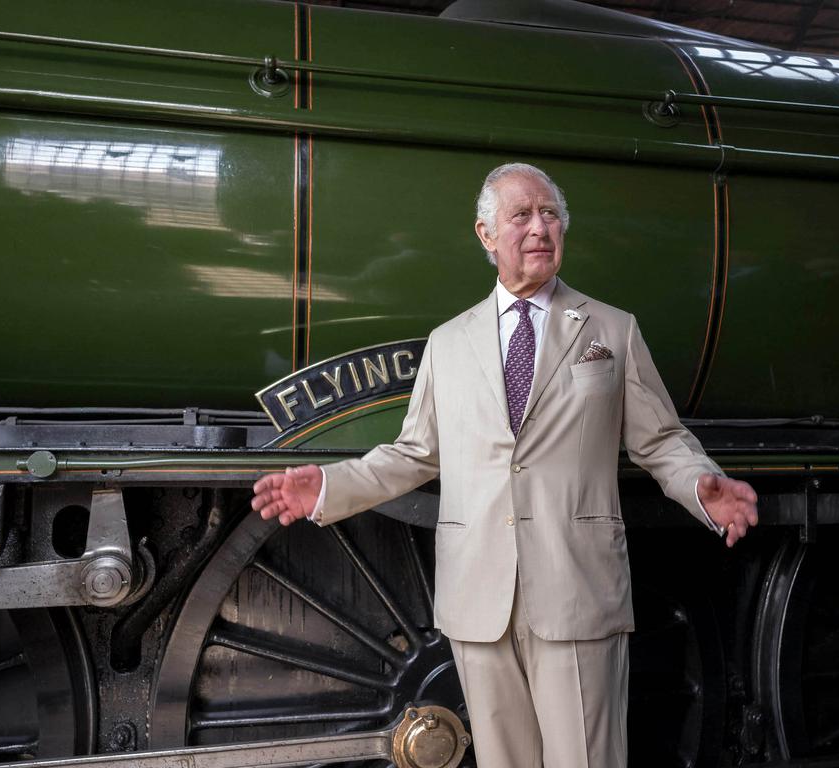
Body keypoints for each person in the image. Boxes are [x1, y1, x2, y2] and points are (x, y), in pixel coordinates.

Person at [251, 162, 758, 768]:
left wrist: (703, 486)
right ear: (486, 235)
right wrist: (330, 483)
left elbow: (660, 440)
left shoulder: (612, 331)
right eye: (521, 215)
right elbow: (415, 454)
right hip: (478, 597)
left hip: (577, 588)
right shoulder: (449, 342)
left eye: (550, 215)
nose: (540, 227)